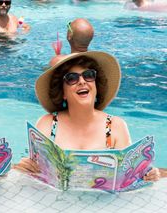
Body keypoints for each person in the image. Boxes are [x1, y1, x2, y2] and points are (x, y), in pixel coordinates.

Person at [14, 51, 160, 182]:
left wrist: (149, 175)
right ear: (62, 92)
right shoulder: (47, 123)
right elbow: (34, 174)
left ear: (96, 86)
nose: (82, 81)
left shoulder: (116, 126)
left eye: (89, 75)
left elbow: (129, 178)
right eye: (72, 78)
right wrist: (23, 168)